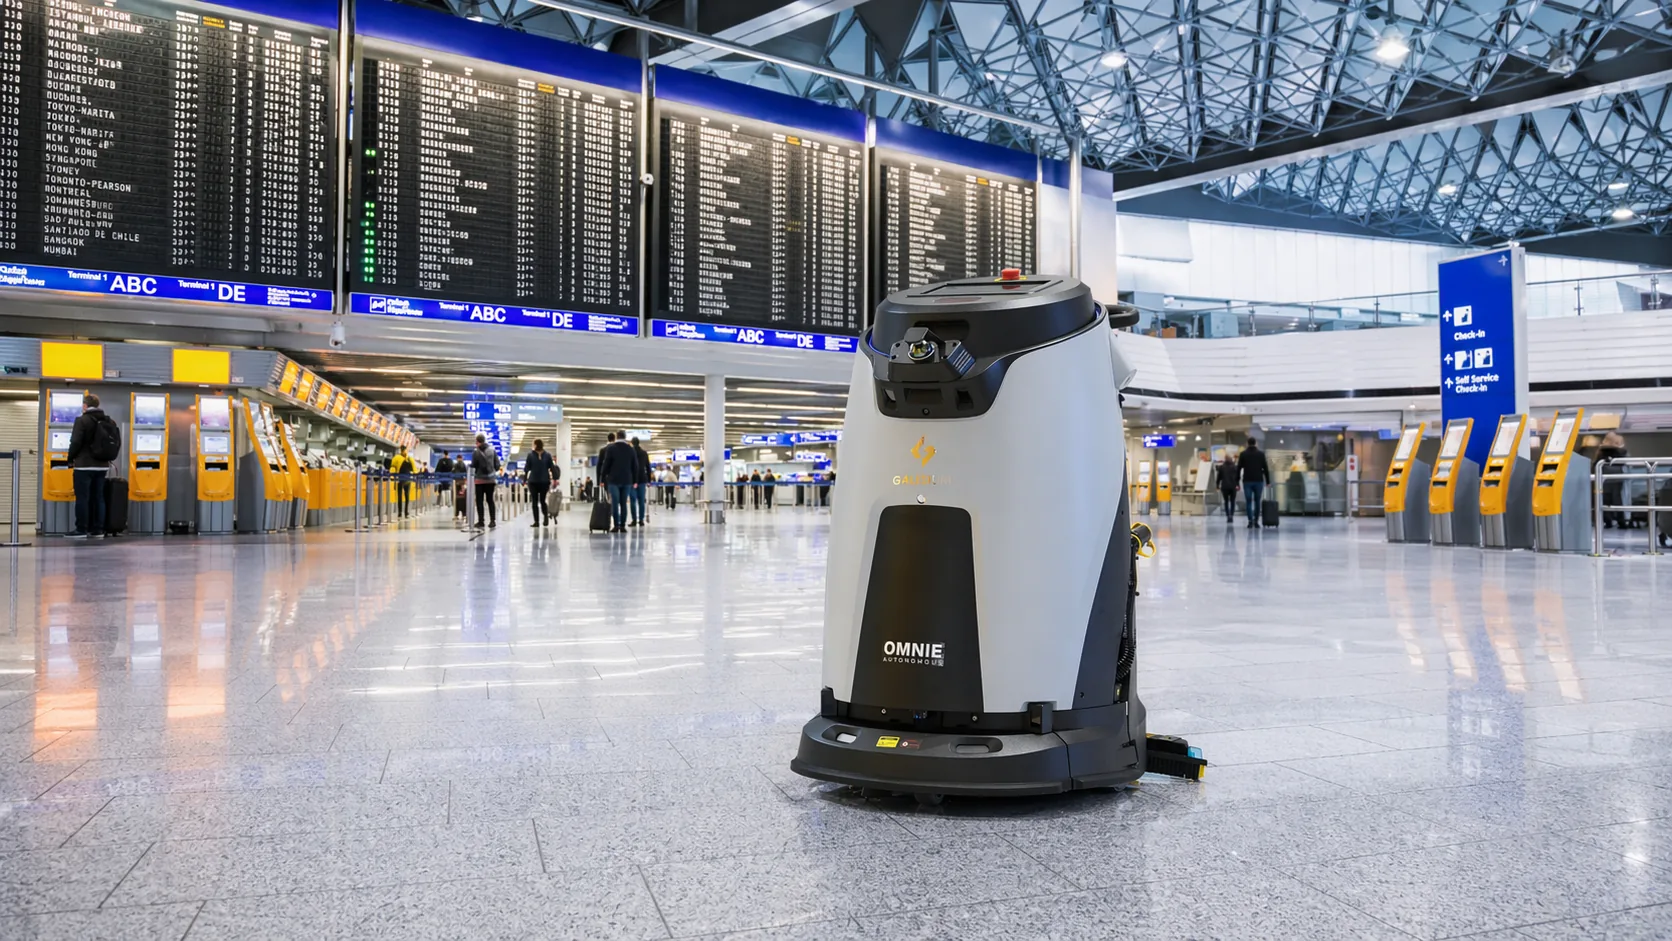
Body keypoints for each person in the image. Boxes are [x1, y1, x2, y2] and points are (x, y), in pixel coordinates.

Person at [66, 392, 116, 538]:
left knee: (82, 497)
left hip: (84, 465)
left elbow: (75, 442)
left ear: (85, 406)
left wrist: (70, 458)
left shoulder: (82, 420)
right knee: (98, 497)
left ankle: (81, 529)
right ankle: (98, 530)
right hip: (102, 465)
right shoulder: (109, 421)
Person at [597, 430, 637, 533]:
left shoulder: (611, 448)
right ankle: (623, 526)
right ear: (625, 437)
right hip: (627, 480)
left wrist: (602, 478)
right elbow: (635, 466)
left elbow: (606, 464)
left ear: (617, 437)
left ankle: (616, 525)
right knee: (623, 503)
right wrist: (635, 480)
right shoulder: (630, 449)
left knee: (614, 503)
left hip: (613, 480)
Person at [1236, 437, 1271, 528]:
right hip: (1258, 480)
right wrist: (1268, 481)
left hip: (1247, 481)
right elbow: (1265, 468)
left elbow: (1239, 468)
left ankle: (1250, 521)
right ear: (1255, 443)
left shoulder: (1243, 454)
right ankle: (1256, 521)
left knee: (1248, 501)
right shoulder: (1260, 454)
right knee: (1257, 501)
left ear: (1247, 444)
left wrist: (1237, 482)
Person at [1598, 431, 1629, 529]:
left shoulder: (1601, 451)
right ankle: (1621, 522)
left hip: (1605, 478)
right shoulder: (1621, 451)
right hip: (1617, 477)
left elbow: (1596, 463)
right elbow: (1624, 460)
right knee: (1618, 499)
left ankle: (1608, 521)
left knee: (1605, 500)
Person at [523, 438, 557, 528]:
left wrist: (524, 479)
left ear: (535, 445)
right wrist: (555, 478)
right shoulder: (545, 455)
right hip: (539, 481)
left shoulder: (533, 455)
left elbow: (527, 469)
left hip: (540, 481)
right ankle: (537, 521)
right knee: (537, 501)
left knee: (540, 501)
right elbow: (552, 468)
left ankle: (543, 518)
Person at [470, 434, 499, 529]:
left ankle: (481, 521)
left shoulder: (476, 452)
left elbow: (473, 465)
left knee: (479, 501)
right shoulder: (492, 450)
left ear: (477, 441)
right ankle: (492, 521)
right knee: (490, 500)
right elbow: (497, 465)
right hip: (491, 480)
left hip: (479, 480)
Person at [1212, 452, 1241, 522]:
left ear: (1225, 459)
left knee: (1226, 501)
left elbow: (1219, 478)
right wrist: (1238, 485)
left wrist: (1217, 486)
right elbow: (1237, 477)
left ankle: (1228, 515)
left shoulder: (1222, 467)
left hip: (1224, 487)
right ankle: (1232, 515)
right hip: (1233, 486)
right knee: (1233, 501)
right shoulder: (1235, 467)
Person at [389, 445, 416, 518]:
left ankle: (405, 512)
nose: (404, 451)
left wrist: (415, 476)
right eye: (403, 450)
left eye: (404, 450)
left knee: (405, 496)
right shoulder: (397, 458)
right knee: (401, 496)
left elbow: (414, 469)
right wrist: (392, 476)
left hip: (406, 480)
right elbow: (393, 468)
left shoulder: (409, 459)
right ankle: (401, 512)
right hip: (401, 479)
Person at [630, 436, 651, 527]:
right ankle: (641, 520)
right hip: (642, 479)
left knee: (632, 500)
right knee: (641, 501)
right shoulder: (644, 453)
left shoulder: (630, 453)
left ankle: (634, 520)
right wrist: (649, 480)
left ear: (632, 443)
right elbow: (648, 467)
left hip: (632, 480)